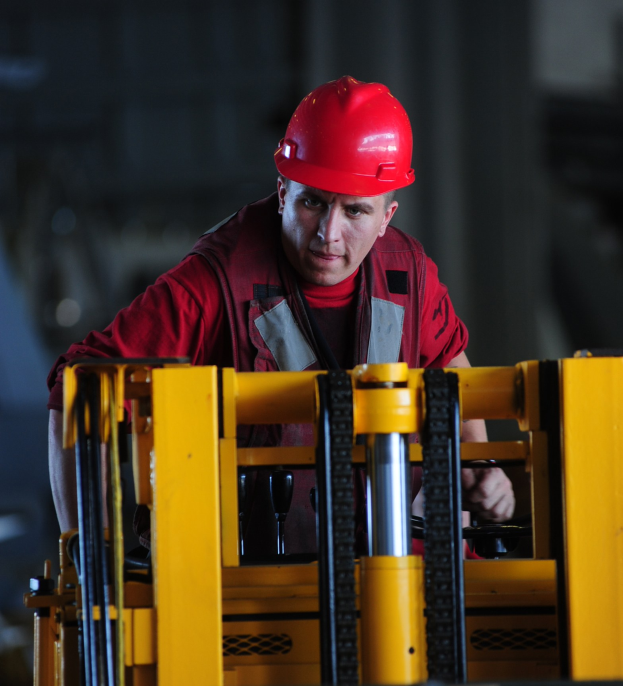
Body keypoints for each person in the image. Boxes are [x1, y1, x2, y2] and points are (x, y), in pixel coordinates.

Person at [47, 76, 514, 555]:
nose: (329, 233)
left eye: (355, 212)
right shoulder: (217, 279)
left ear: (386, 217)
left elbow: (453, 377)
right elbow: (78, 385)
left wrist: (479, 467)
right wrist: (91, 554)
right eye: (313, 202)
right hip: (251, 588)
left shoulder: (409, 274)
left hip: (392, 576)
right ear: (283, 190)